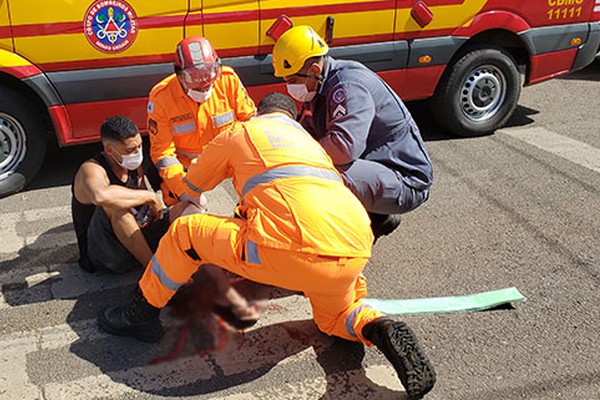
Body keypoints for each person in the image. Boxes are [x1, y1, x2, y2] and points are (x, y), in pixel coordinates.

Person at [98, 94, 436, 400]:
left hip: (284, 247)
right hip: (352, 248)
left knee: (185, 233)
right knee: (337, 317)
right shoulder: (311, 144)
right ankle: (381, 327)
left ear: (260, 113)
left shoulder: (241, 132)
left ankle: (139, 313)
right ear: (291, 118)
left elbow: (192, 187)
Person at [72, 116, 257, 328]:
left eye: (139, 146)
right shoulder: (91, 170)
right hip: (105, 253)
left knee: (188, 208)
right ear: (109, 149)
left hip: (136, 236)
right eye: (130, 149)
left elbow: (141, 200)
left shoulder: (133, 164)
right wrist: (150, 197)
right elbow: (100, 195)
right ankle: (156, 274)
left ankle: (205, 272)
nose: (136, 154)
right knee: (117, 207)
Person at [271, 25, 434, 241]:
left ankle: (339, 238)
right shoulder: (320, 88)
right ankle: (377, 217)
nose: (289, 87)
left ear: (314, 71)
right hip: (377, 168)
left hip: (406, 179)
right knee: (308, 164)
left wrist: (298, 161)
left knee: (324, 173)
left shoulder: (347, 86)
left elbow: (343, 148)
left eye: (292, 80)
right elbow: (308, 131)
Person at [147, 35, 256, 206]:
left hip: (227, 163)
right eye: (196, 86)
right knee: (179, 205)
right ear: (179, 76)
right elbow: (163, 153)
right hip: (187, 170)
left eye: (208, 84)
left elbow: (250, 125)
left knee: (255, 195)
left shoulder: (228, 79)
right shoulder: (161, 97)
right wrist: (184, 193)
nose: (204, 89)